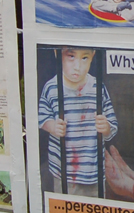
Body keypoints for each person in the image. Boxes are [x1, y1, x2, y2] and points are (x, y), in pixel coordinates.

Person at [38, 47, 118, 196]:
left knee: (94, 206)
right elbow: (42, 117)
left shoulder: (98, 88)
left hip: (93, 171)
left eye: (84, 58)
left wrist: (106, 127)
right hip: (62, 171)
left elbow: (112, 123)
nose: (77, 66)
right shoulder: (51, 88)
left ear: (93, 56)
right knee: (64, 206)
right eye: (71, 56)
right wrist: (52, 126)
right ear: (57, 54)